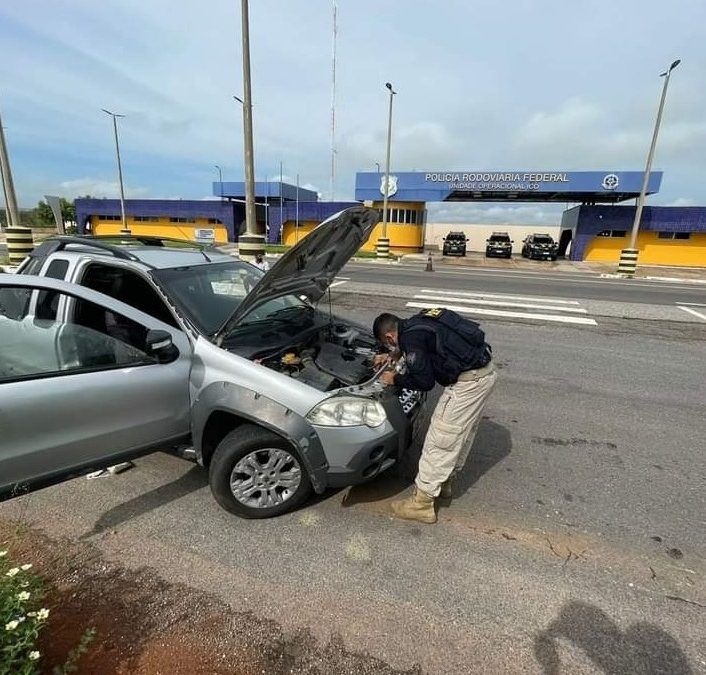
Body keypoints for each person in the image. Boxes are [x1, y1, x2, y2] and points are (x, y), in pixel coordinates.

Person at [373, 308, 497, 524]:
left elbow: (425, 382)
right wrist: (395, 354)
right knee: (460, 434)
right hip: (485, 372)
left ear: (389, 337)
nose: (389, 347)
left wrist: (395, 380)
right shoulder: (417, 321)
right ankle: (444, 484)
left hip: (468, 383)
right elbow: (425, 342)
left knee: (440, 439)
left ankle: (422, 504)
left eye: (388, 344)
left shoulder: (411, 338)